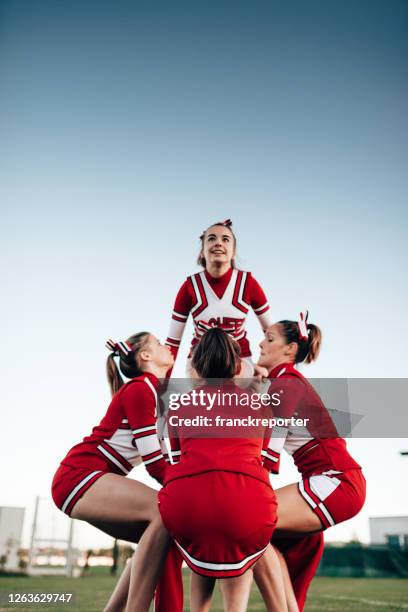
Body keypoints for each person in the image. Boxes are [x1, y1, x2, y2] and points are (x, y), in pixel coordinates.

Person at [127, 328, 291, 612]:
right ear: (239, 367)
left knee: (203, 534)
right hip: (249, 508)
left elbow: (177, 462)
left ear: (196, 367)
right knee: (252, 540)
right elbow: (262, 460)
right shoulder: (260, 407)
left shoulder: (178, 408)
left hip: (188, 508)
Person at [51, 333, 183, 612]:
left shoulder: (156, 390)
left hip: (87, 478)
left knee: (157, 542)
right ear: (145, 357)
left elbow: (176, 340)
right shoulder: (140, 388)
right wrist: (187, 488)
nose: (167, 347)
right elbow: (154, 462)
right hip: (78, 476)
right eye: (158, 343)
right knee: (165, 510)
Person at [256, 313, 366, 609]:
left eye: (269, 339)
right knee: (260, 532)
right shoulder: (281, 382)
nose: (260, 344)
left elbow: (269, 448)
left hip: (336, 482)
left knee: (250, 522)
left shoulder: (286, 382)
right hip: (329, 481)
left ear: (290, 350)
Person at [165, 219, 272, 377]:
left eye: (225, 239)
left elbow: (272, 333)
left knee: (232, 396)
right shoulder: (190, 286)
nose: (218, 243)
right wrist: (160, 386)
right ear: (202, 251)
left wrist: (281, 374)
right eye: (211, 238)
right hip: (201, 362)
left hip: (240, 362)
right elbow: (173, 342)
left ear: (233, 250)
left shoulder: (248, 283)